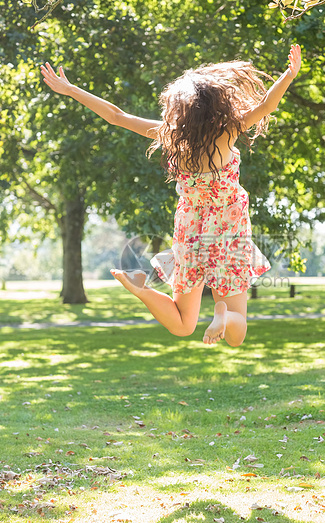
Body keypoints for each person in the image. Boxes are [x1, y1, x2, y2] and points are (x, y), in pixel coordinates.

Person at [40, 44, 301, 346]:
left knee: (182, 325)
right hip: (228, 232)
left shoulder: (171, 135)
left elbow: (116, 116)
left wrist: (72, 90)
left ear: (181, 109)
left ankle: (142, 289)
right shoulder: (228, 129)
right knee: (236, 334)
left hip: (190, 232)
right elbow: (267, 105)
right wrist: (288, 74)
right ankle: (223, 316)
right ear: (215, 104)